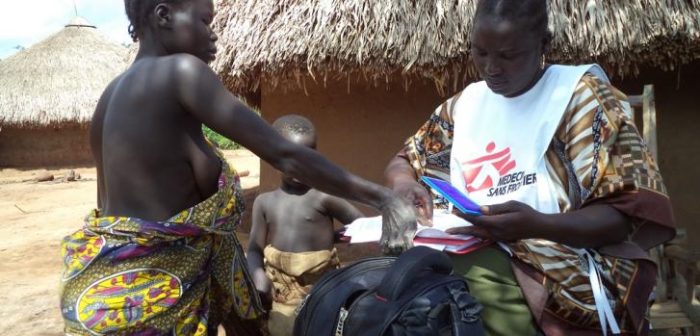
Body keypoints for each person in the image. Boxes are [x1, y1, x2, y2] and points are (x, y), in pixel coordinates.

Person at [58, 0, 415, 335]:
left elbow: (120, 221)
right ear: (163, 16)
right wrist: (384, 199)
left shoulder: (109, 97)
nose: (214, 33)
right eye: (204, 20)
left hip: (100, 298)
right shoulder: (182, 71)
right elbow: (285, 154)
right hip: (156, 302)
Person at [384, 0, 675, 335]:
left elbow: (622, 218)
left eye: (508, 55)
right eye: (480, 52)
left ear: (543, 45)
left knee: (457, 284)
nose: (491, 68)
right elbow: (406, 159)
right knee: (407, 273)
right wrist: (403, 183)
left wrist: (537, 225)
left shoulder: (581, 98)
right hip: (477, 246)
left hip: (569, 265)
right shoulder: (466, 106)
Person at [246, 114, 364, 336]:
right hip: (281, 294)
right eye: (291, 159)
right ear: (273, 157)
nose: (300, 166)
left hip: (322, 293)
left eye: (308, 157)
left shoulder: (324, 197)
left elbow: (363, 226)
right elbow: (254, 248)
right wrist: (257, 274)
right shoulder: (264, 202)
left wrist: (337, 236)